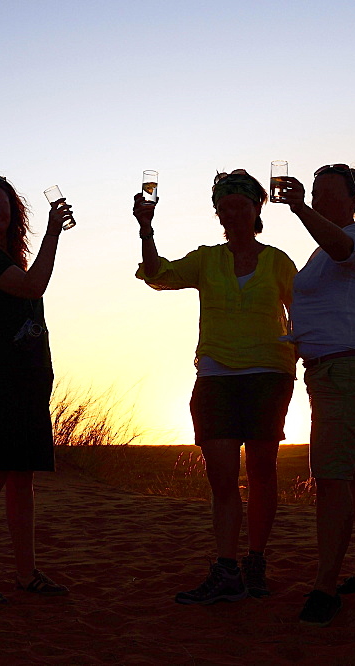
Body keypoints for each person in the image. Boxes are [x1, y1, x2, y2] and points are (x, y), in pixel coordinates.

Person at [134, 170, 297, 604]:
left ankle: (255, 562)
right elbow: (157, 275)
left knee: (263, 472)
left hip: (269, 373)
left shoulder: (278, 260)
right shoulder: (207, 259)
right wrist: (145, 228)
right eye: (224, 207)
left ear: (256, 208)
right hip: (216, 376)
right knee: (223, 477)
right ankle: (226, 569)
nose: (231, 213)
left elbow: (303, 310)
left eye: (239, 205)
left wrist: (302, 357)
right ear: (218, 213)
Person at [280, 165, 355, 627]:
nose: (320, 200)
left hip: (349, 371)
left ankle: (326, 586)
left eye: (327, 194)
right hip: (333, 374)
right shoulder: (317, 256)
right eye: (315, 193)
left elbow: (343, 248)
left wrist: (300, 207)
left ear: (351, 201)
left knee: (330, 478)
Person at [0, 176, 72, 603]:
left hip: (25, 380)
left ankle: (26, 573)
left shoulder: (9, 255)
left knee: (22, 477)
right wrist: (54, 234)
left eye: (1, 204)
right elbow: (32, 287)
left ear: (13, 209)